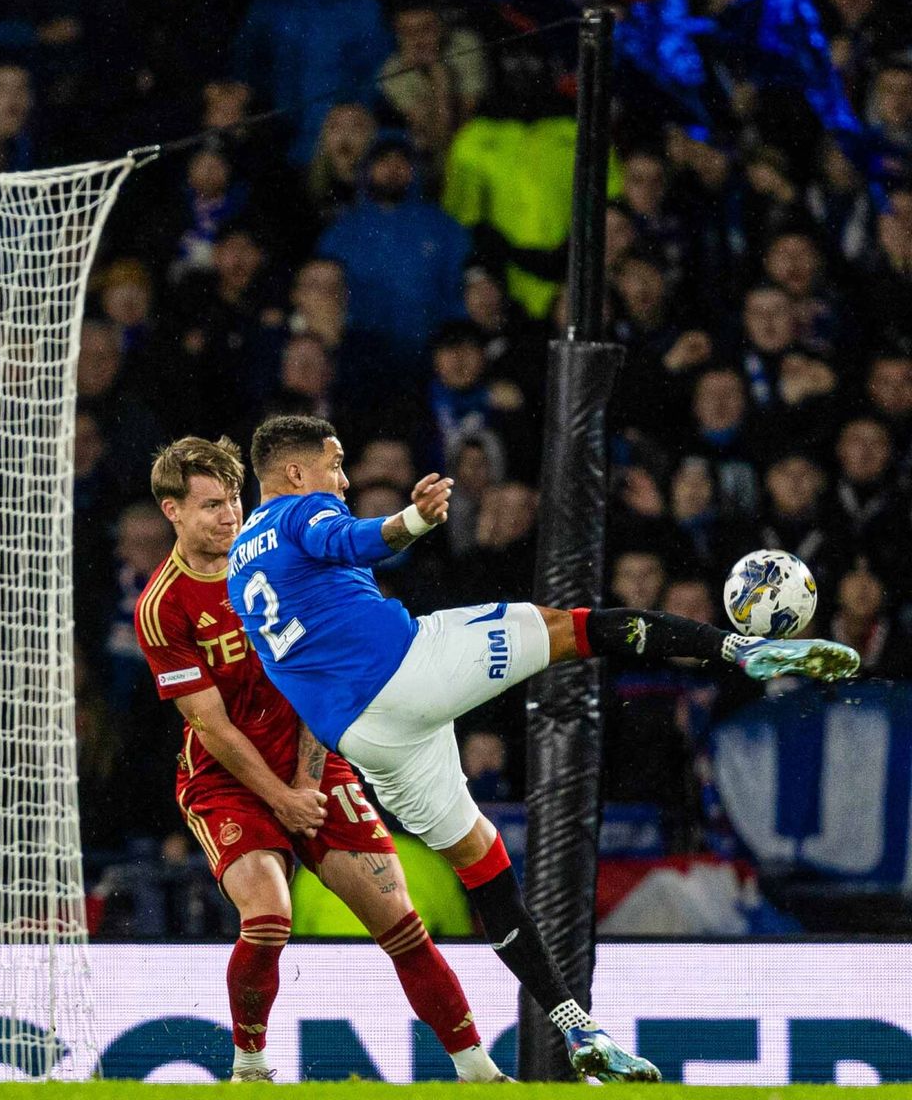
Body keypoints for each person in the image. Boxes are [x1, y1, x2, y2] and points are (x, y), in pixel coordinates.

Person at [224, 414, 862, 1082]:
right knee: (570, 628)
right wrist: (410, 522)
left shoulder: (242, 564)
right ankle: (741, 649)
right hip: (407, 668)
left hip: (365, 736)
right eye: (335, 463)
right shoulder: (302, 511)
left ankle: (575, 1027)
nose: (344, 477)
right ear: (294, 472)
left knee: (481, 860)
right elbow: (354, 538)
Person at [135, 436, 501, 1083]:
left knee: (401, 923)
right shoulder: (163, 607)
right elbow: (210, 726)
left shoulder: (273, 560)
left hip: (313, 763)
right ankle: (249, 1066)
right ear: (173, 512)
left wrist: (305, 781)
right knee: (269, 916)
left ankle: (479, 1072)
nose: (229, 516)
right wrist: (279, 799)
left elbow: (319, 672)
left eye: (235, 501)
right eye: (212, 505)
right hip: (228, 780)